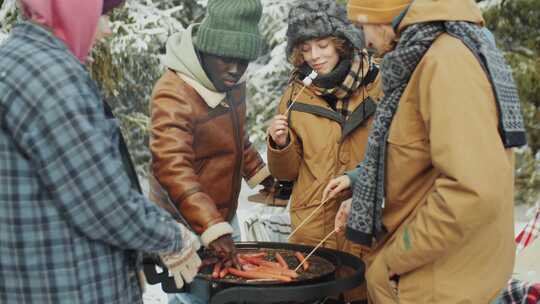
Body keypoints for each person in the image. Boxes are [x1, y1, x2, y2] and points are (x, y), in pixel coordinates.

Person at [323, 0, 527, 303]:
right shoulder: (418, 57)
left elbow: (472, 189)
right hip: (430, 276)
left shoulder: (446, 62)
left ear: (382, 18)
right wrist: (370, 197)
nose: (363, 40)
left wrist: (396, 257)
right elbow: (419, 163)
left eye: (361, 25)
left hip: (439, 283)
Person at [0, 1, 200, 303]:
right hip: (72, 287)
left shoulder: (16, 61)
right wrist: (172, 238)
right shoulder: (52, 77)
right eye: (100, 14)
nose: (106, 29)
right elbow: (102, 201)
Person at [148, 0, 274, 302]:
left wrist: (260, 174)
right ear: (206, 48)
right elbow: (171, 166)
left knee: (232, 293)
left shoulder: (231, 81)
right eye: (226, 59)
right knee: (193, 298)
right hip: (185, 224)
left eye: (243, 61)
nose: (235, 69)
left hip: (222, 217)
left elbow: (235, 136)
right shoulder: (173, 92)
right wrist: (212, 228)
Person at [266, 1, 382, 302]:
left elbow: (396, 155)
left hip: (365, 227)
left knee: (363, 293)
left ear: (342, 43)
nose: (314, 56)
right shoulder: (295, 94)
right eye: (305, 48)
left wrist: (357, 181)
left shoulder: (378, 85)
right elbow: (287, 173)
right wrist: (280, 146)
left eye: (322, 45)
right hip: (312, 230)